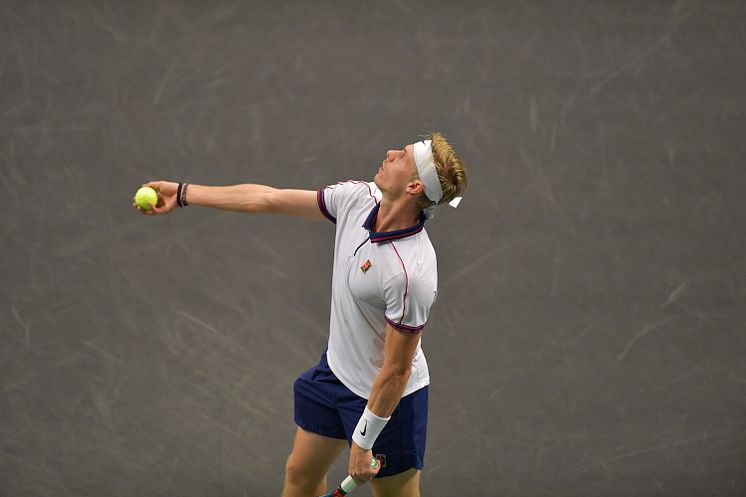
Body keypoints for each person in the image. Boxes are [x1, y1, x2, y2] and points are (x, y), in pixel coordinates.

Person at [133, 132, 468, 497]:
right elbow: (268, 199)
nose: (389, 153)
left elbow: (397, 369)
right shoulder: (359, 198)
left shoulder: (410, 273)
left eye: (402, 156)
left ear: (414, 185)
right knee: (299, 474)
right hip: (336, 374)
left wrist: (365, 437)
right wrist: (182, 193)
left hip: (388, 404)